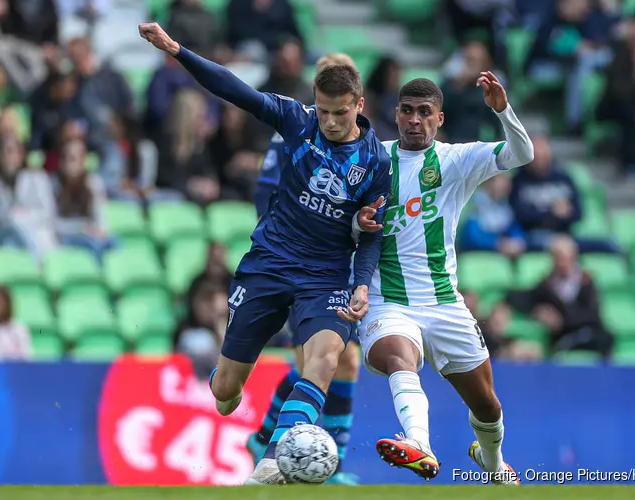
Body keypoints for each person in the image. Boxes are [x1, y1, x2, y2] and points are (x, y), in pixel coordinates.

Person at [138, 23, 393, 485]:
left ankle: (276, 458)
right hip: (270, 262)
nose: (330, 122)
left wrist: (360, 283)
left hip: (326, 274)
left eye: (339, 113)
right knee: (224, 394)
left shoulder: (376, 162)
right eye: (323, 112)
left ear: (358, 105)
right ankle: (231, 379)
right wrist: (178, 50)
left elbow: (373, 233)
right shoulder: (298, 120)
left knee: (326, 357)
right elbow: (236, 90)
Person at [354, 73, 534, 483]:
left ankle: (492, 463)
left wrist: (501, 109)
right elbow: (345, 222)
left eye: (424, 113)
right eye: (407, 111)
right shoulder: (372, 159)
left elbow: (523, 153)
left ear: (439, 119)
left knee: (487, 406)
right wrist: (355, 222)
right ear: (396, 115)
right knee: (401, 357)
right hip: (388, 300)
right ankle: (419, 443)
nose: (415, 120)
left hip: (444, 303)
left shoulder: (457, 159)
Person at [248, 52, 370, 486]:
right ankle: (285, 445)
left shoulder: (365, 144)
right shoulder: (295, 130)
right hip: (295, 261)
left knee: (342, 361)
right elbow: (265, 192)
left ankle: (324, 454)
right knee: (322, 361)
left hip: (340, 263)